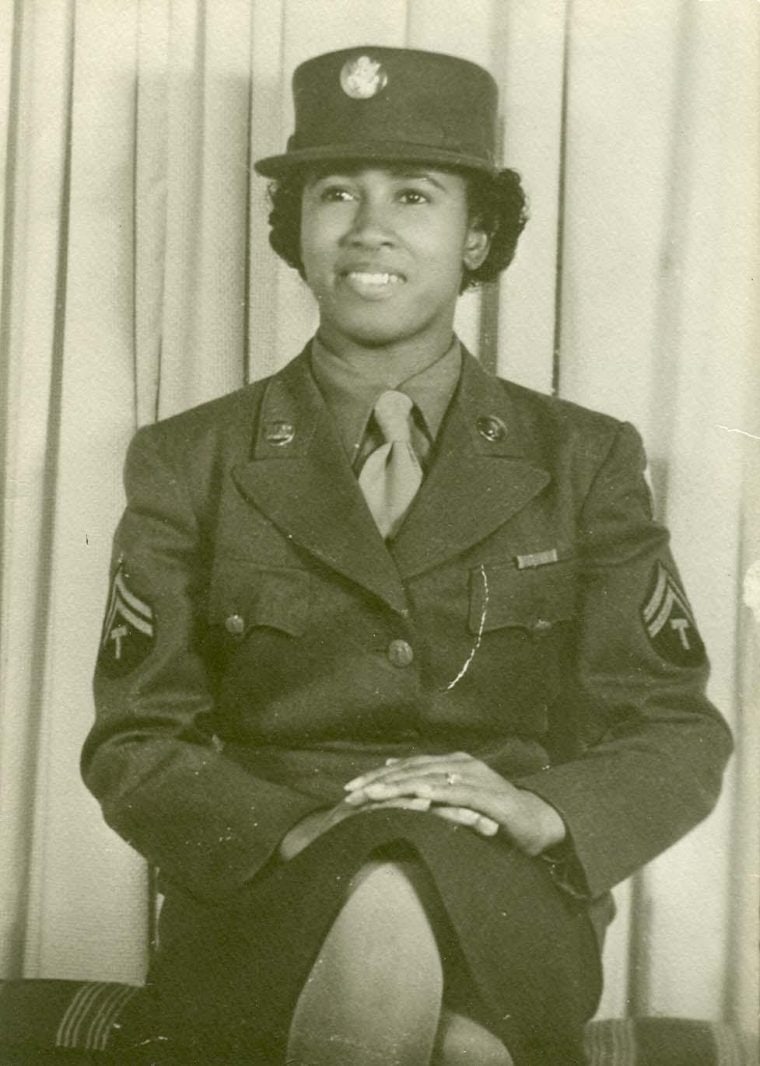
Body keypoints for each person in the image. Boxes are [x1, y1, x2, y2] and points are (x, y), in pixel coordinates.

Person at [82, 46, 733, 1066]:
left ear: (478, 237)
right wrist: (299, 832)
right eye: (335, 191)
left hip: (507, 878)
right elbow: (134, 739)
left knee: (440, 977)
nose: (368, 227)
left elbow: (672, 727)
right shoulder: (190, 459)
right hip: (265, 878)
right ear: (295, 231)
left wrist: (536, 809)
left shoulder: (584, 456)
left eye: (414, 195)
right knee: (461, 1042)